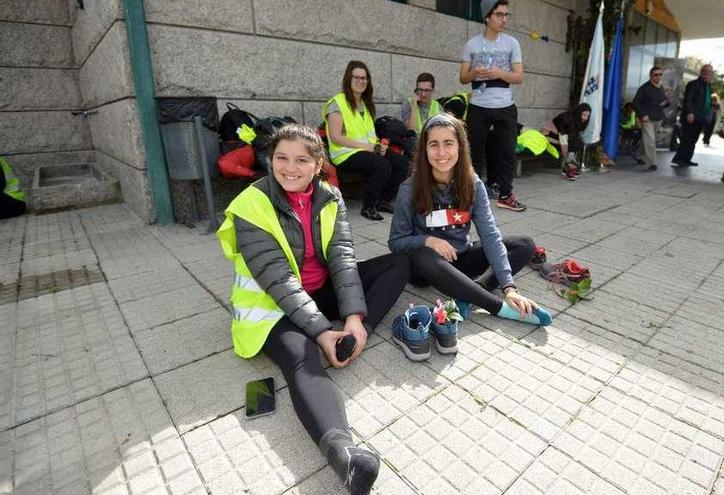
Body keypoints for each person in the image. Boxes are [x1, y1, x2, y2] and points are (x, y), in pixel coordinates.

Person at [217, 124, 410, 495]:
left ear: (319, 164)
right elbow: (279, 281)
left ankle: (354, 334)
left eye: (301, 160)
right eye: (281, 158)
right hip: (271, 305)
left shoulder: (330, 197)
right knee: (303, 356)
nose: (290, 168)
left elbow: (342, 258)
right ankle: (345, 455)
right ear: (270, 160)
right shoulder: (249, 205)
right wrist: (322, 334)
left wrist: (354, 318)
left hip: (320, 291)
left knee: (399, 263)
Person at [388, 114, 552, 360]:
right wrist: (427, 240)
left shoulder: (472, 184)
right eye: (434, 144)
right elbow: (396, 242)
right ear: (424, 149)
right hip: (427, 268)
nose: (441, 152)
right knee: (423, 255)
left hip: (461, 258)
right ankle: (495, 307)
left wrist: (509, 287)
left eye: (448, 143)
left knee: (524, 245)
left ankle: (473, 291)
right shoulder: (409, 189)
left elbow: (490, 235)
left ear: (460, 146)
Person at [460, 0, 526, 212]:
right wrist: (475, 73)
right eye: (499, 14)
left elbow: (518, 77)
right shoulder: (471, 44)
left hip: (505, 105)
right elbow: (463, 77)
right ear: (487, 17)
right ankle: (474, 195)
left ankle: (505, 194)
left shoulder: (512, 43)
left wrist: (500, 74)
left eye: (506, 15)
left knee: (507, 150)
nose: (504, 19)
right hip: (479, 105)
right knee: (474, 151)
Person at [324, 60, 409, 221]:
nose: (360, 81)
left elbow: (368, 135)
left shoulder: (365, 104)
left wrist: (379, 146)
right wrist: (368, 147)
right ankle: (369, 206)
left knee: (401, 163)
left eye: (364, 78)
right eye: (356, 77)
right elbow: (336, 137)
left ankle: (383, 201)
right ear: (348, 79)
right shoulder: (337, 103)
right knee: (382, 165)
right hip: (344, 154)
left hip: (366, 150)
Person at [672, 64, 714, 167]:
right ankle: (679, 159)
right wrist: (689, 113)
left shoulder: (708, 86)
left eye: (709, 72)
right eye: (705, 71)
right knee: (687, 138)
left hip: (700, 118)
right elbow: (688, 100)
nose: (707, 73)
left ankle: (686, 159)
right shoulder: (694, 84)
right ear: (701, 72)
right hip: (691, 117)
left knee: (693, 139)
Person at [633, 66, 669, 171]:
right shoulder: (644, 88)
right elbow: (635, 103)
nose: (658, 77)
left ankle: (638, 155)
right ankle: (653, 163)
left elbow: (661, 102)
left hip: (658, 118)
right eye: (656, 75)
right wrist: (643, 115)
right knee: (651, 140)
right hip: (647, 119)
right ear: (651, 76)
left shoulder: (661, 87)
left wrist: (667, 103)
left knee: (648, 140)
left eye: (660, 74)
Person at [543, 103, 591, 180]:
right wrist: (568, 160)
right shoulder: (567, 119)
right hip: (549, 136)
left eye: (587, 116)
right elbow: (563, 140)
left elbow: (572, 136)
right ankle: (569, 168)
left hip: (561, 137)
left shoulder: (577, 121)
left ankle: (568, 168)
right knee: (573, 144)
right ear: (579, 113)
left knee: (577, 142)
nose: (585, 118)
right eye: (584, 115)